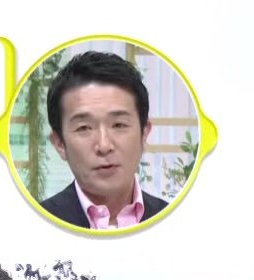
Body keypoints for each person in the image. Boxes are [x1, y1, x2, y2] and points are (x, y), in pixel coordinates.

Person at [38, 50, 169, 230]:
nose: (104, 145)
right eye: (84, 128)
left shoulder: (174, 220)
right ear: (60, 144)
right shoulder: (36, 223)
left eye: (119, 125)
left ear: (144, 133)